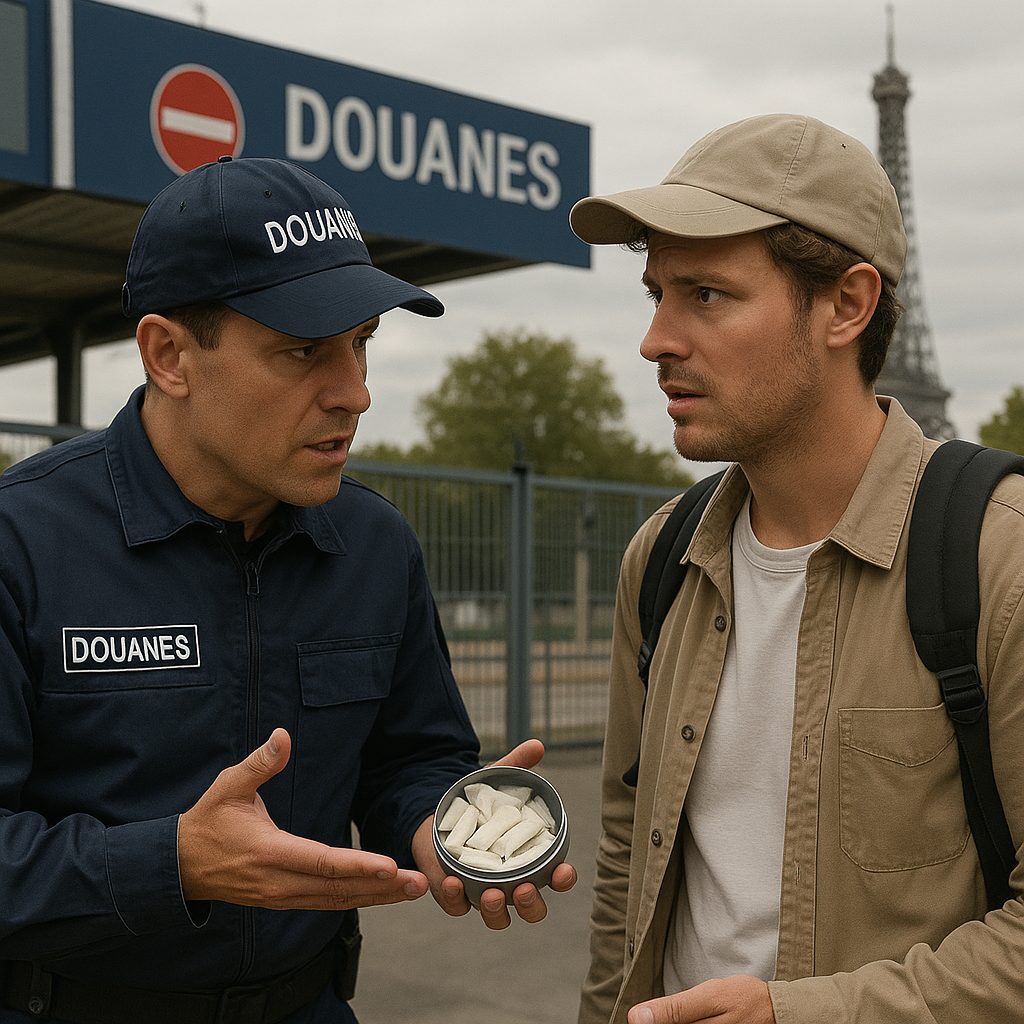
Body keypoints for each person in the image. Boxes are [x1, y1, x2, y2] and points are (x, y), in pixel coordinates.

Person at [0, 156, 575, 1024]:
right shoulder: (23, 542)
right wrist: (176, 861)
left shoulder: (374, 546)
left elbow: (412, 760)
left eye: (361, 344)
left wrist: (440, 828)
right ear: (169, 355)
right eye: (302, 351)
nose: (356, 394)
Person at [567, 113, 1024, 1024]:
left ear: (847, 306)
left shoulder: (999, 560)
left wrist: (802, 1012)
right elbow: (627, 868)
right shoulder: (659, 561)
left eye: (705, 294)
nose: (655, 339)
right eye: (655, 293)